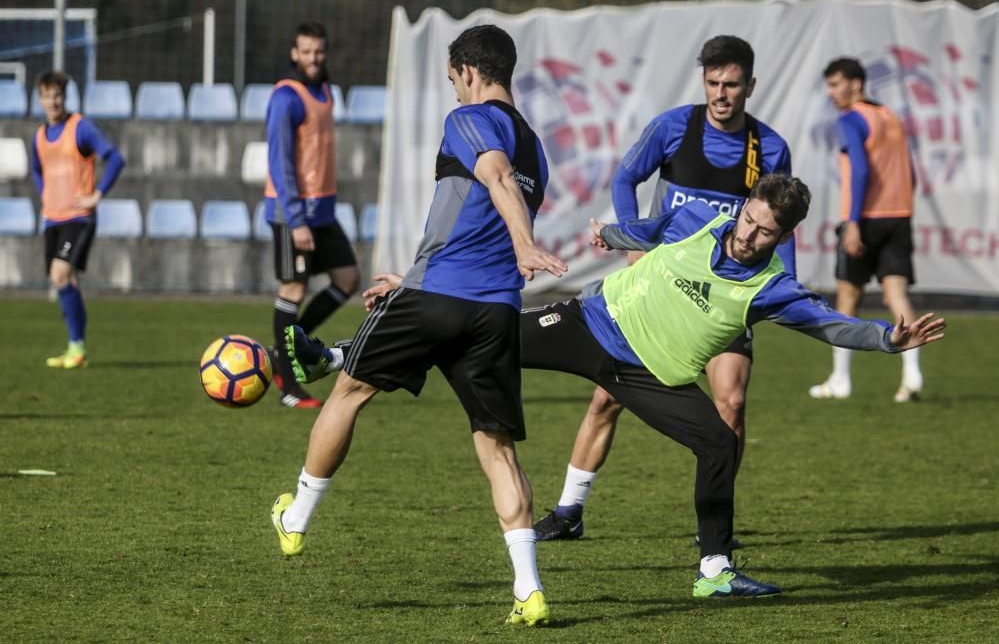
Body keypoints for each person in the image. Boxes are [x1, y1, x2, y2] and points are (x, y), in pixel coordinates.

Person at [286, 173, 946, 598]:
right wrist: (612, 233)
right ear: (743, 207)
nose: (748, 233)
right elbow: (651, 230)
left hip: (646, 374)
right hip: (588, 322)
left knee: (718, 442)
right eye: (748, 218)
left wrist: (887, 340)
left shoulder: (771, 287)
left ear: (783, 236)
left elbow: (830, 324)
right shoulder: (706, 220)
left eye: (764, 230)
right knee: (483, 330)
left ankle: (714, 568)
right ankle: (339, 351)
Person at [270, 24, 567, 626]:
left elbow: (495, 178)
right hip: (494, 311)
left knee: (350, 390)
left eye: (454, 78)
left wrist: (525, 243)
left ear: (469, 73)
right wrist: (408, 278)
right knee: (497, 448)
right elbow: (469, 223)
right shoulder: (537, 144)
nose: (454, 88)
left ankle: (296, 517)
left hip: (441, 298)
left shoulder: (470, 119)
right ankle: (529, 589)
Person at [536, 35, 794, 544]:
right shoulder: (674, 127)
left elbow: (780, 225)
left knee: (733, 404)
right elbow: (625, 178)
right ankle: (569, 512)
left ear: (750, 86)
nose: (722, 93)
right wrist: (633, 238)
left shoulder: (769, 147)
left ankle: (715, 529)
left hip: (724, 296)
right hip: (662, 287)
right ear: (704, 82)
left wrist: (780, 289)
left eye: (732, 84)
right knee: (606, 399)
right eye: (713, 83)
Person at [809, 57, 923, 403]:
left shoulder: (851, 118)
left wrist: (854, 222)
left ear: (856, 84)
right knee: (896, 295)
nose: (831, 93)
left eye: (835, 84)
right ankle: (912, 373)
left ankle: (841, 379)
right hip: (899, 215)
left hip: (865, 218)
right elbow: (911, 173)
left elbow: (859, 170)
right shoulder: (890, 116)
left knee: (847, 298)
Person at [264, 22, 359, 408]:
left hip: (323, 211)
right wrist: (296, 219)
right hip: (294, 214)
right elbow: (280, 162)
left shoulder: (326, 91)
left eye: (319, 51)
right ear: (294, 54)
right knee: (294, 290)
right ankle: (288, 386)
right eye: (306, 52)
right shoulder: (286, 97)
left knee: (348, 279)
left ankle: (281, 351)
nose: (314, 58)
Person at [31, 70, 126, 369]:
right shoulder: (39, 136)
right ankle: (77, 348)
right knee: (64, 279)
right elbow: (36, 169)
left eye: (57, 95)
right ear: (40, 99)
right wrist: (44, 195)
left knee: (61, 274)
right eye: (47, 96)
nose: (53, 102)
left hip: (79, 217)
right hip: (53, 218)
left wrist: (97, 195)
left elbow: (115, 158)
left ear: (65, 97)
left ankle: (77, 346)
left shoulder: (80, 127)